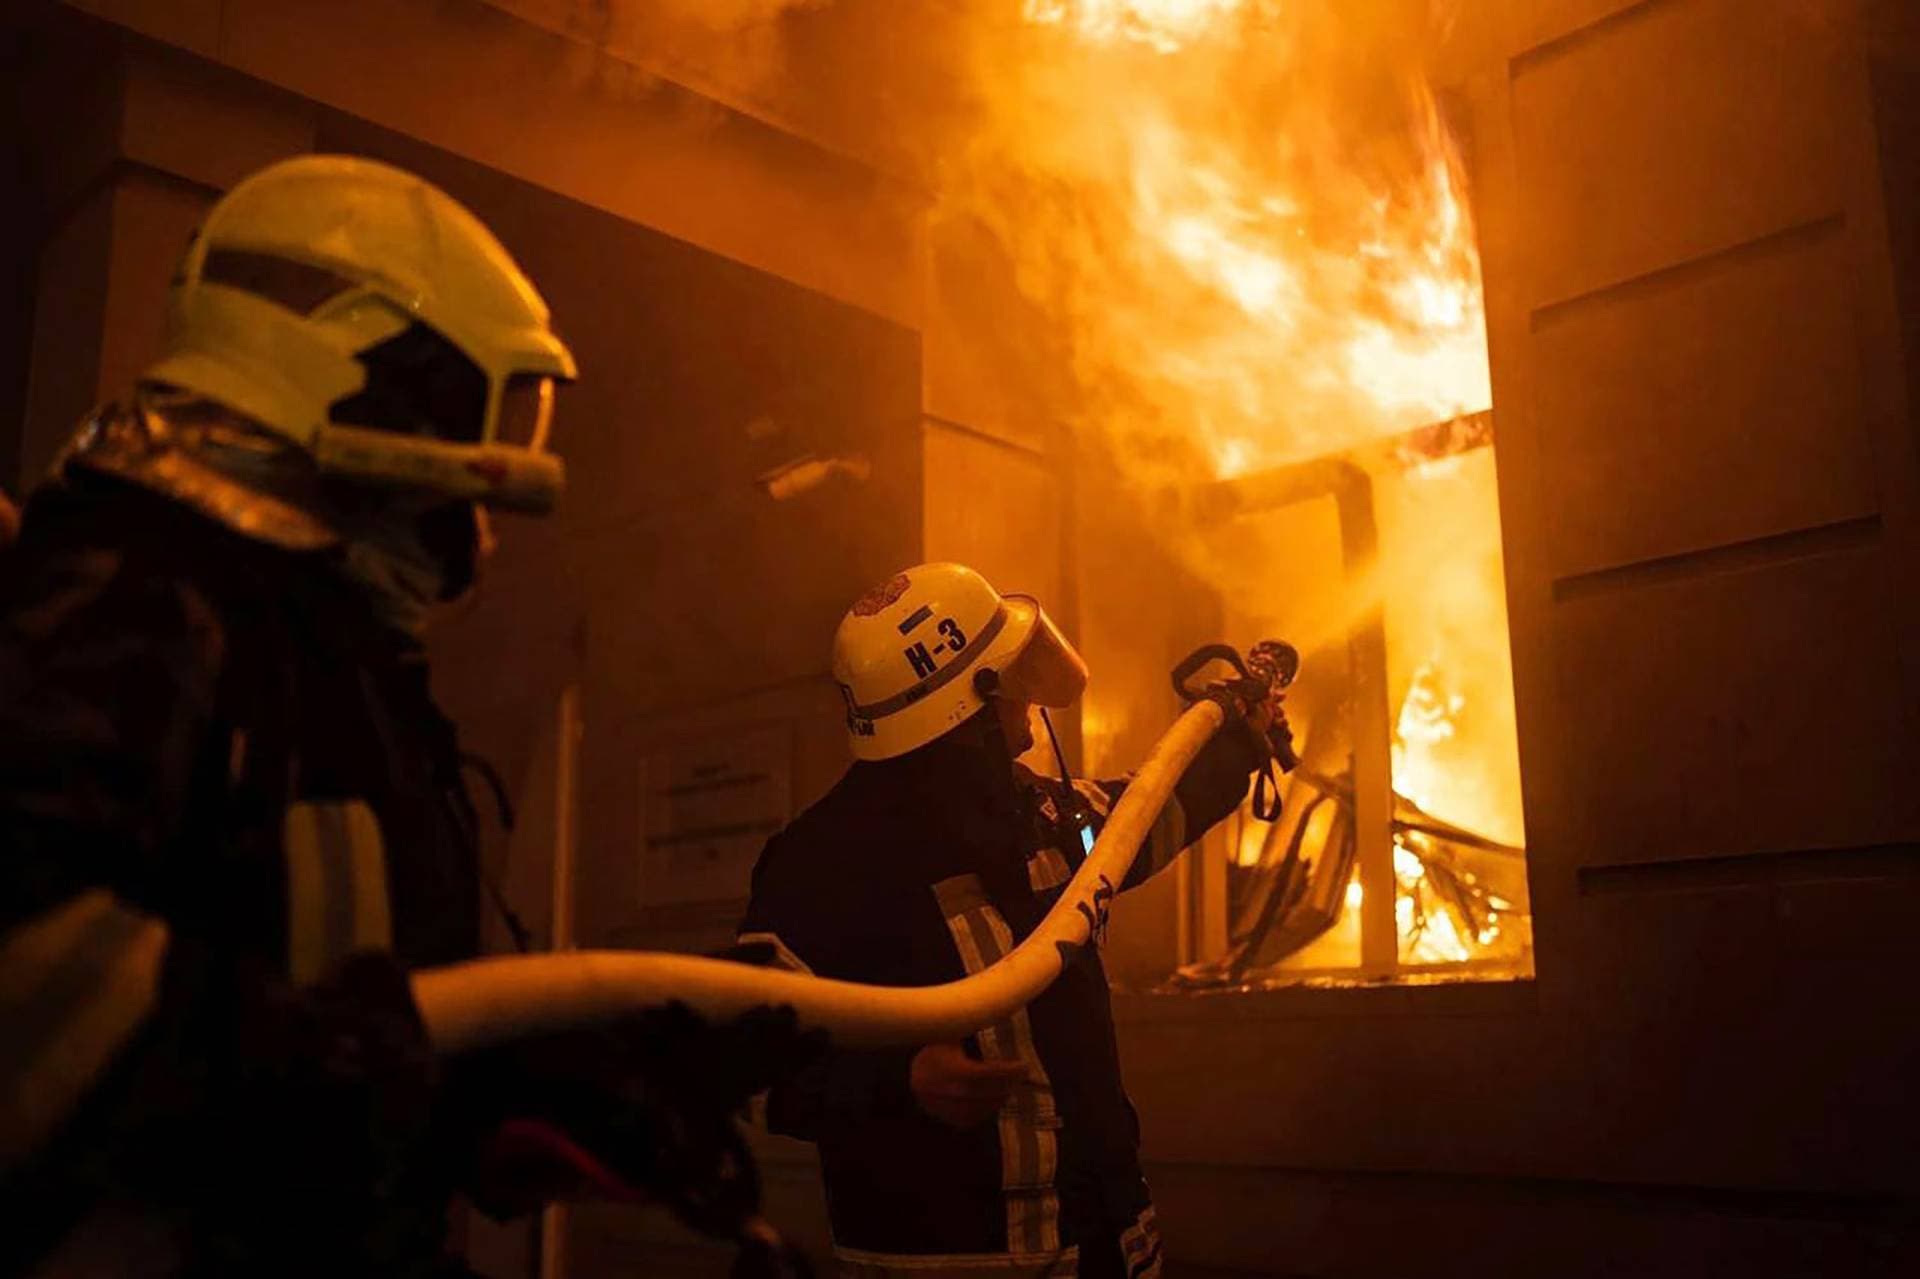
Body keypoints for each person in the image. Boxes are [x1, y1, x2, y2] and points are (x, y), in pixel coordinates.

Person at [0, 154, 610, 1276]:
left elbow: (337, 981)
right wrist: (329, 1063)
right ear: (352, 380)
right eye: (475, 425)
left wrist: (494, 1099)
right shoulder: (131, 595)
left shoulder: (311, 647)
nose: (477, 515)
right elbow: (33, 991)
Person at [737, 562, 1285, 1278]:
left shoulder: (1035, 813)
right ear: (967, 705)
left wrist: (1240, 743)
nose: (1028, 697)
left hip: (1109, 1244)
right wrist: (901, 1080)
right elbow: (748, 1063)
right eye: (1010, 678)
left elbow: (1139, 818)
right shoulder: (819, 867)